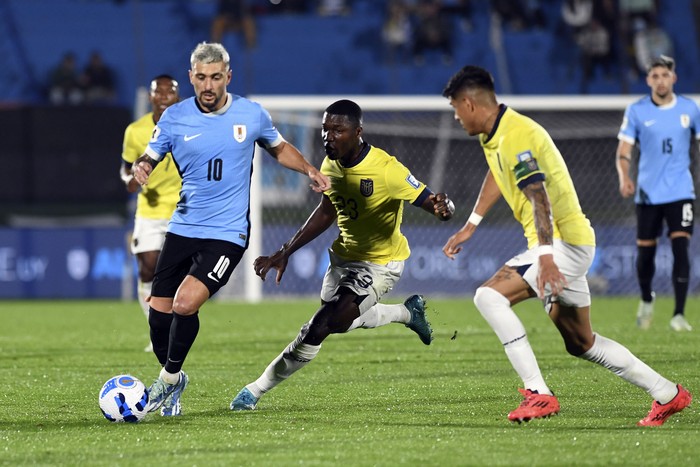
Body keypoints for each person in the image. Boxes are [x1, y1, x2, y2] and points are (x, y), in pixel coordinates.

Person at [441, 65, 691, 426]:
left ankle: (538, 394)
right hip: (564, 245)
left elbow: (539, 197)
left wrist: (545, 258)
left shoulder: (517, 135)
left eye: (455, 108)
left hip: (562, 245)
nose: (455, 116)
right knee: (581, 342)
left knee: (489, 296)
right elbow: (498, 172)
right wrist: (471, 225)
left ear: (469, 103)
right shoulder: (493, 135)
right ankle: (668, 393)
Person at [131, 42, 330, 417]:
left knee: (184, 303)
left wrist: (309, 169)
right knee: (158, 316)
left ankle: (168, 380)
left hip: (227, 233)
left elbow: (279, 147)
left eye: (216, 77)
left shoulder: (250, 114)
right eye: (201, 78)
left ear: (228, 77)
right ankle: (174, 378)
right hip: (183, 227)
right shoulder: (173, 118)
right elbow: (150, 156)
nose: (208, 85)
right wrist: (142, 166)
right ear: (191, 77)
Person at [230, 99, 455, 411]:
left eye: (338, 130)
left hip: (380, 264)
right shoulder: (329, 163)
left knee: (320, 326)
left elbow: (432, 202)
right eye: (325, 130)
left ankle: (254, 390)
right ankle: (407, 313)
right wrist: (286, 251)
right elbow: (327, 211)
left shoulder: (387, 170)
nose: (328, 137)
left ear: (358, 132)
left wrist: (444, 208)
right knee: (341, 320)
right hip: (343, 259)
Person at [616, 55, 699, 332]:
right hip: (648, 194)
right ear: (648, 80)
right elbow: (624, 152)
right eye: (655, 76)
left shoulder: (691, 108)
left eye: (665, 75)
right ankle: (646, 297)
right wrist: (625, 177)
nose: (660, 81)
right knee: (646, 256)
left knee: (681, 249)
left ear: (673, 78)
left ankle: (678, 314)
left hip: (681, 191)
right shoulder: (637, 111)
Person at [120, 74, 181, 352]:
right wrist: (130, 180)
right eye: (160, 92)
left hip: (186, 207)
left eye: (170, 91)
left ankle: (177, 324)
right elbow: (125, 168)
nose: (165, 96)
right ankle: (155, 330)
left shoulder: (189, 124)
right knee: (147, 268)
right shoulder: (135, 130)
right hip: (151, 208)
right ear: (151, 97)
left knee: (178, 273)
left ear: (177, 96)